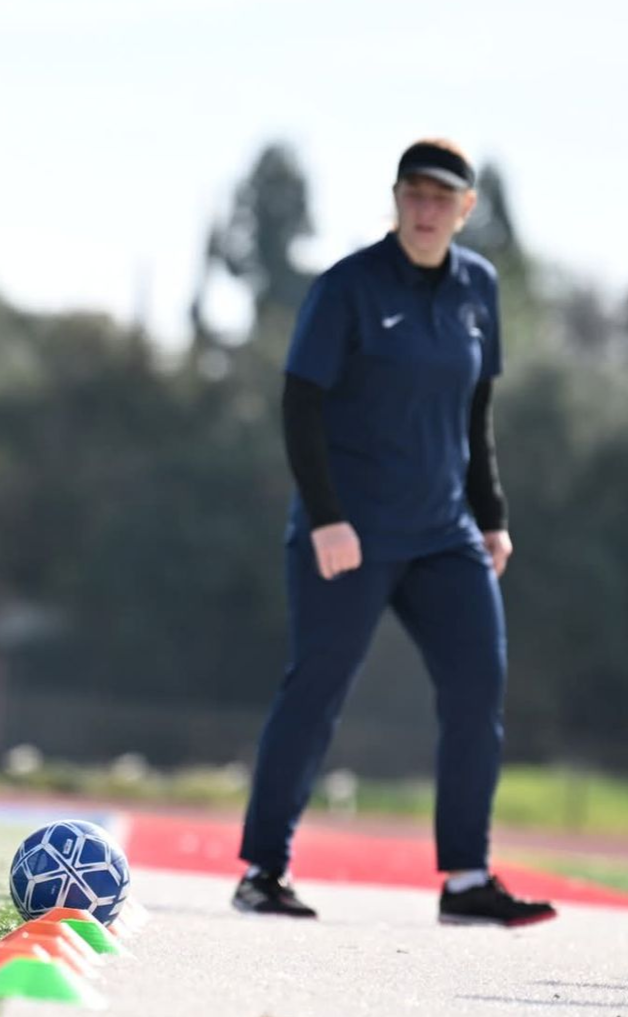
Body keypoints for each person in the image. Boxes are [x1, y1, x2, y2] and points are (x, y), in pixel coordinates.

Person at [233, 139, 556, 927]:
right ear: (397, 197)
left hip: (445, 533)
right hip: (350, 529)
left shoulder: (479, 287)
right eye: (414, 193)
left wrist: (493, 515)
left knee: (478, 686)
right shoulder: (348, 286)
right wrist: (328, 516)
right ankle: (262, 869)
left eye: (442, 197)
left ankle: (466, 879)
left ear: (465, 208)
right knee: (317, 688)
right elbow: (300, 403)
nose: (426, 209)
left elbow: (476, 414)